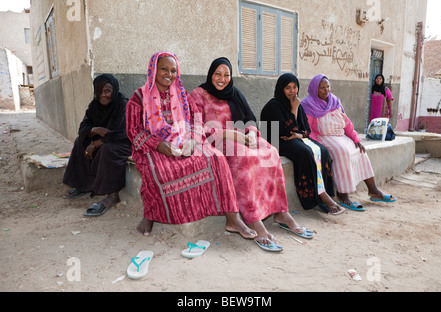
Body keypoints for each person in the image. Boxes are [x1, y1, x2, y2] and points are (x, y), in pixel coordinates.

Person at [126, 52, 256, 239]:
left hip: (185, 140)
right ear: (154, 70)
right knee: (158, 169)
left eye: (173, 70)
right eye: (164, 69)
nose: (169, 74)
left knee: (217, 158)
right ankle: (151, 216)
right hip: (153, 145)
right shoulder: (139, 97)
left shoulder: (183, 95)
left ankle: (232, 218)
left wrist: (192, 141)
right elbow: (134, 130)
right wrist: (159, 145)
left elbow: (197, 122)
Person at [190, 57, 313, 251]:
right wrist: (230, 134)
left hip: (242, 137)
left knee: (270, 152)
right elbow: (197, 128)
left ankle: (280, 212)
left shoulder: (235, 93)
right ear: (210, 74)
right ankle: (254, 219)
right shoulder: (197, 95)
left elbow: (250, 120)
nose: (222, 79)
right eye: (218, 74)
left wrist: (253, 135)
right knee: (244, 158)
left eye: (226, 75)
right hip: (216, 140)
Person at [301, 74, 397, 211]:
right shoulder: (308, 104)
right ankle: (343, 195)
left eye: (328, 87)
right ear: (315, 88)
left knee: (360, 150)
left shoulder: (334, 101)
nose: (326, 90)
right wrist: (317, 145)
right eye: (322, 88)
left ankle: (373, 190)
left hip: (341, 135)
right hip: (324, 138)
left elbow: (346, 123)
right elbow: (309, 130)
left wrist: (356, 139)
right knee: (342, 152)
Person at [260, 73, 345, 215]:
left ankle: (324, 192)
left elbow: (306, 128)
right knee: (305, 152)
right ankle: (316, 197)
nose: (292, 91)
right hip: (275, 141)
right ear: (281, 89)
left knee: (323, 150)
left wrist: (299, 134)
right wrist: (294, 110)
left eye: (295, 87)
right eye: (288, 88)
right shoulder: (273, 106)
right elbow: (285, 131)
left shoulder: (297, 104)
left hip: (293, 138)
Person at [63, 74, 132, 216]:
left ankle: (113, 195)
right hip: (105, 140)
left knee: (107, 150)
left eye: (107, 91)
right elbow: (83, 127)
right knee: (79, 142)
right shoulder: (94, 106)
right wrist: (95, 130)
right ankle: (83, 184)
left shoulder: (123, 105)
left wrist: (95, 144)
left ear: (114, 90)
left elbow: (123, 134)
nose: (103, 95)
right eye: (99, 91)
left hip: (124, 143)